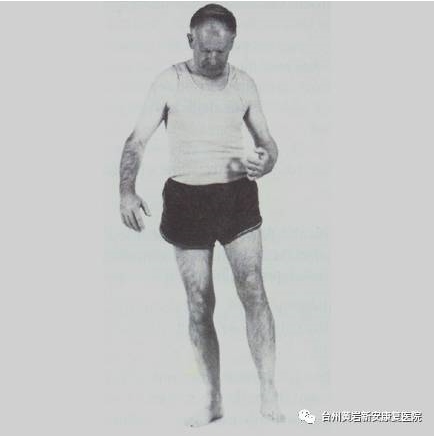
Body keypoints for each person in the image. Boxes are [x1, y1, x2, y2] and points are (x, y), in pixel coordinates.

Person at [119, 3, 285, 427]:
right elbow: (136, 140)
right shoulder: (169, 81)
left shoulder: (244, 83)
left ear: (233, 44)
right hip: (187, 199)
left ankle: (268, 388)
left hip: (235, 196)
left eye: (221, 52)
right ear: (189, 40)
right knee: (198, 302)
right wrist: (126, 191)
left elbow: (269, 144)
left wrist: (266, 161)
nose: (212, 59)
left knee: (253, 289)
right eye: (204, 50)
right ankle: (212, 400)